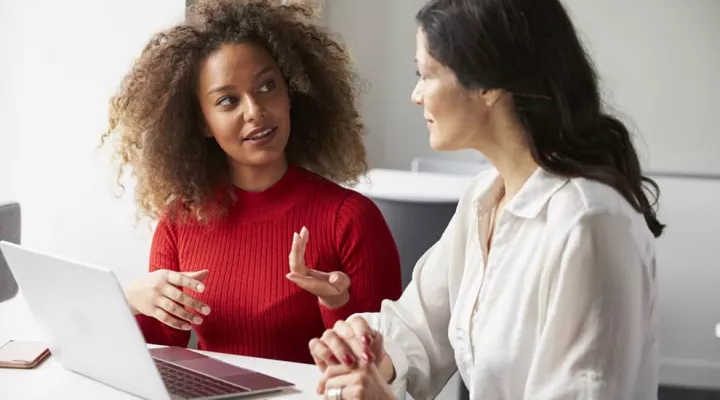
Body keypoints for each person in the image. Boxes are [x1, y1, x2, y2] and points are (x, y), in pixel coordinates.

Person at [308, 0, 665, 398]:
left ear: (489, 84)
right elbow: (418, 328)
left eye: (425, 74)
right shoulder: (484, 197)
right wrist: (368, 350)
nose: (416, 95)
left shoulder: (588, 225)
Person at [101, 0, 402, 364]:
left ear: (289, 93)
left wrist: (335, 303)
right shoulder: (179, 222)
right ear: (201, 123)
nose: (255, 111)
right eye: (228, 100)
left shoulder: (351, 219)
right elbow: (161, 354)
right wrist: (130, 299)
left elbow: (383, 370)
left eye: (267, 86)